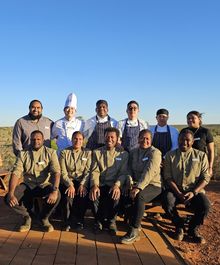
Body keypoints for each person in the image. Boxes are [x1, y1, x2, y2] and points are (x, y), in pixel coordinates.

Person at [5, 130, 61, 232]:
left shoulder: (51, 152)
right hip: (28, 185)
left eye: (38, 139)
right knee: (8, 198)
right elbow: (16, 173)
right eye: (33, 139)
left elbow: (56, 172)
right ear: (30, 140)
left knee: (57, 196)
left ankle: (43, 218)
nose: (36, 141)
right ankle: (28, 217)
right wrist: (11, 192)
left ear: (43, 140)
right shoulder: (23, 154)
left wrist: (55, 190)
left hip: (44, 184)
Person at [162, 129, 211, 243]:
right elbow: (168, 177)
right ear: (178, 140)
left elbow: (206, 177)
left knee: (205, 206)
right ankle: (179, 225)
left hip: (194, 191)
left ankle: (193, 229)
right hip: (175, 190)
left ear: (193, 141)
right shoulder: (170, 155)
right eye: (181, 139)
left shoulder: (201, 156)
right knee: (166, 201)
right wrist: (178, 193)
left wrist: (194, 192)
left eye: (188, 140)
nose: (184, 142)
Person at [120, 129, 162, 244]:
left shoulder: (155, 153)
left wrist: (138, 188)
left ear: (151, 140)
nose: (145, 140)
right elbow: (128, 169)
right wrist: (129, 183)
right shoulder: (133, 152)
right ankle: (127, 220)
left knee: (140, 197)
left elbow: (149, 172)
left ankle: (134, 230)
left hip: (153, 185)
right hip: (136, 183)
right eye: (142, 138)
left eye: (147, 138)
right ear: (138, 139)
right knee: (124, 192)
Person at [89, 127, 129, 234]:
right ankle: (98, 221)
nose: (109, 139)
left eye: (112, 137)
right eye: (107, 137)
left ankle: (112, 221)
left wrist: (117, 185)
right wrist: (95, 185)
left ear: (117, 139)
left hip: (113, 184)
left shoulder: (123, 154)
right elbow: (94, 171)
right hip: (101, 184)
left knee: (116, 195)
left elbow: (123, 173)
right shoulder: (97, 152)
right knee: (93, 195)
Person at [59, 131, 92, 231]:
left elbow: (88, 171)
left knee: (83, 195)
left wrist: (83, 184)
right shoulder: (64, 152)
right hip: (68, 180)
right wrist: (70, 184)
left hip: (82, 181)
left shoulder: (88, 152)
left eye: (80, 139)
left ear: (83, 141)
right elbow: (63, 172)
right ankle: (67, 221)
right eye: (75, 139)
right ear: (72, 140)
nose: (77, 141)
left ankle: (79, 220)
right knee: (68, 196)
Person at [181, 110, 214, 176]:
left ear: (199, 119)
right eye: (188, 118)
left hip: (201, 162)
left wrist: (210, 167)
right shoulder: (184, 131)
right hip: (186, 163)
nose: (190, 120)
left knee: (201, 183)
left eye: (193, 118)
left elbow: (211, 151)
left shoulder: (205, 132)